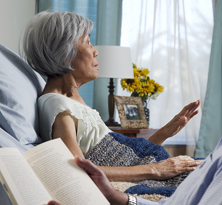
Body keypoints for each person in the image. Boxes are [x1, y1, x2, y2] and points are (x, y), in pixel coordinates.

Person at [49, 0, 222, 204]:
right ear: (63, 52)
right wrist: (128, 193)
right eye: (88, 42)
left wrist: (158, 163)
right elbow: (81, 165)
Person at [21, 10, 202, 194]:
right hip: (136, 186)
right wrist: (155, 170)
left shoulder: (70, 100)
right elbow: (78, 170)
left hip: (147, 174)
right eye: (87, 42)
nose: (95, 51)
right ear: (64, 53)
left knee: (209, 171)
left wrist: (165, 132)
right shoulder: (56, 105)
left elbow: (126, 159)